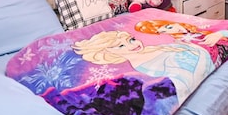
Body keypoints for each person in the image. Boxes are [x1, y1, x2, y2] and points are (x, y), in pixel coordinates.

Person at [72, 30, 213, 103]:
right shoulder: (146, 65)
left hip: (202, 59)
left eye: (131, 39)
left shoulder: (151, 50)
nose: (133, 44)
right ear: (107, 52)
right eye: (121, 46)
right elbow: (179, 77)